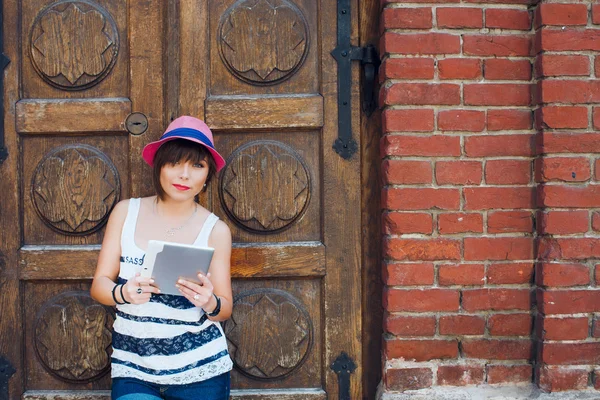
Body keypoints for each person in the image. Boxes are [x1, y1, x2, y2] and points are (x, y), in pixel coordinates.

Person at [91, 116, 233, 400]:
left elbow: (225, 308)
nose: (184, 175)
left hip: (201, 370)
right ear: (159, 166)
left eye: (197, 165)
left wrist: (209, 301)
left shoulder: (216, 230)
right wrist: (124, 292)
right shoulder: (125, 212)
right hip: (134, 368)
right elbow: (99, 285)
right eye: (174, 163)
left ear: (207, 176)